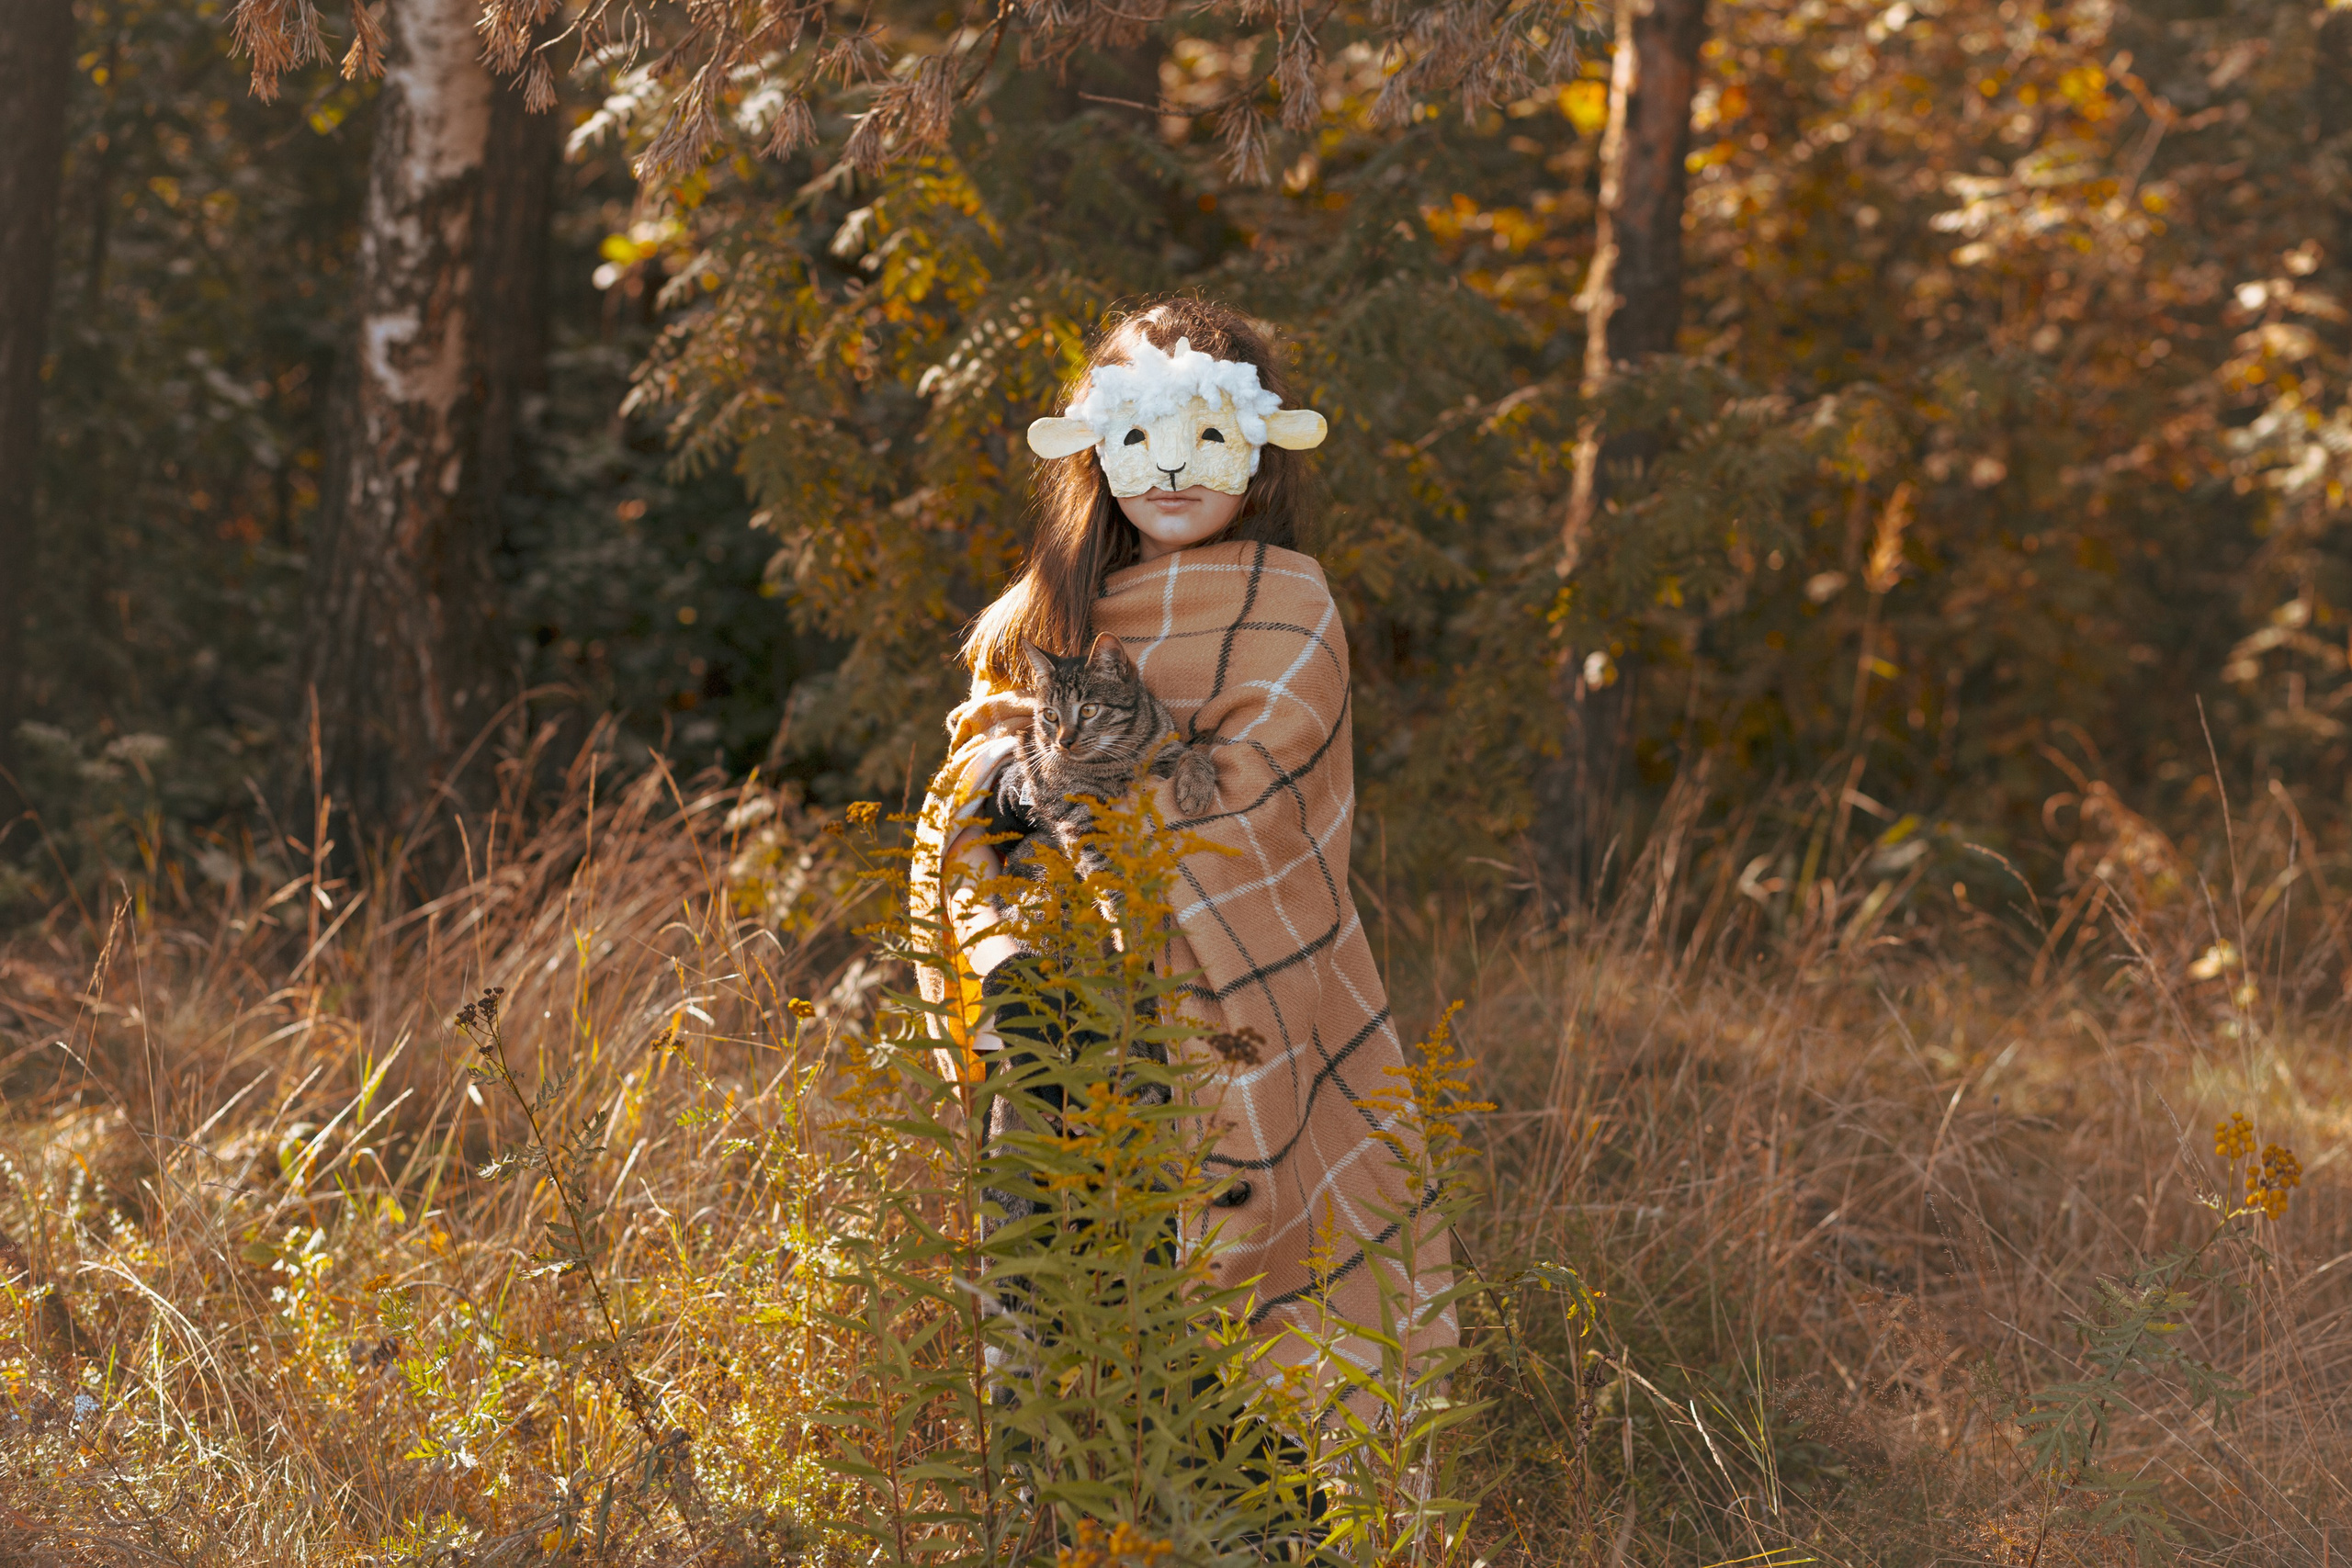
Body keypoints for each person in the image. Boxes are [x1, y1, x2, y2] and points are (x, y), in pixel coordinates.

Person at [912, 295, 1456, 1396]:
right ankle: (1046, 1517)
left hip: (1214, 997)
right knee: (1048, 1284)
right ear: (1095, 450)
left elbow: (1253, 803)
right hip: (1053, 1008)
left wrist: (1081, 770)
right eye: (1141, 439)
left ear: (1259, 458)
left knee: (1204, 1306)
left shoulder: (1288, 609)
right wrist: (1018, 776)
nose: (1170, 471)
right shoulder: (1045, 611)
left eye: (1206, 438)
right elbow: (981, 771)